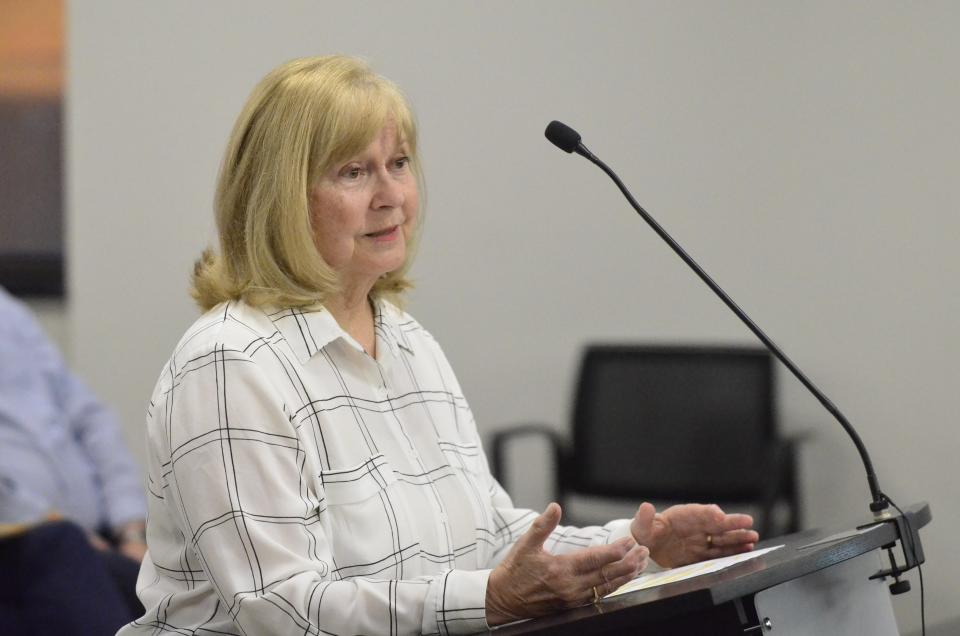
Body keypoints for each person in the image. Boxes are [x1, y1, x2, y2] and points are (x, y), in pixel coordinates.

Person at [119, 55, 758, 636]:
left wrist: (638, 551)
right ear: (281, 197)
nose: (391, 196)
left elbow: (488, 538)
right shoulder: (231, 362)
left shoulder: (406, 339)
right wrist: (494, 601)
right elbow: (281, 609)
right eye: (353, 172)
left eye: (398, 164)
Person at [0, 286, 147, 634]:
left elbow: (90, 417)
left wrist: (131, 526)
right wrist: (61, 527)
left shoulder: (10, 313)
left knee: (193, 589)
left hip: (102, 537)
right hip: (29, 543)